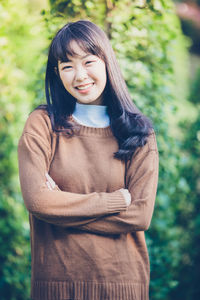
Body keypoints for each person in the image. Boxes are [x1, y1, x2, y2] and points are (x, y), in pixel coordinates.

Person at [18, 20, 159, 300]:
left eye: (88, 61)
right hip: (55, 285)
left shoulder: (139, 131)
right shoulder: (42, 124)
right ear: (57, 73)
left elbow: (141, 215)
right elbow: (37, 201)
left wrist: (60, 207)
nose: (79, 75)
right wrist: (116, 200)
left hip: (122, 285)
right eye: (67, 66)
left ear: (107, 62)